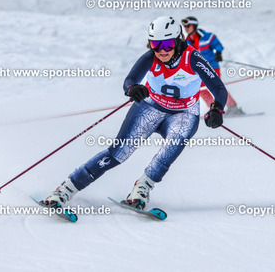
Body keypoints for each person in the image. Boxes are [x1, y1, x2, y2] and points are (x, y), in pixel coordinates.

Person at [44, 16, 227, 210]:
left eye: (167, 44)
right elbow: (130, 80)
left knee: (170, 150)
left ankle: (142, 189)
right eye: (156, 44)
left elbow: (218, 88)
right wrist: (132, 88)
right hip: (150, 107)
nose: (161, 50)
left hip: (183, 113)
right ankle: (66, 189)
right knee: (118, 153)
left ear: (178, 40)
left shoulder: (193, 58)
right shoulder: (150, 57)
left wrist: (217, 108)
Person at [181, 16, 242, 115]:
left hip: (212, 67)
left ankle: (233, 107)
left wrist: (218, 53)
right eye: (184, 26)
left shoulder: (207, 36)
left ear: (194, 26)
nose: (186, 28)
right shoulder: (186, 42)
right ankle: (214, 109)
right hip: (198, 69)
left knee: (217, 87)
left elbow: (218, 45)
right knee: (201, 89)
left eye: (188, 26)